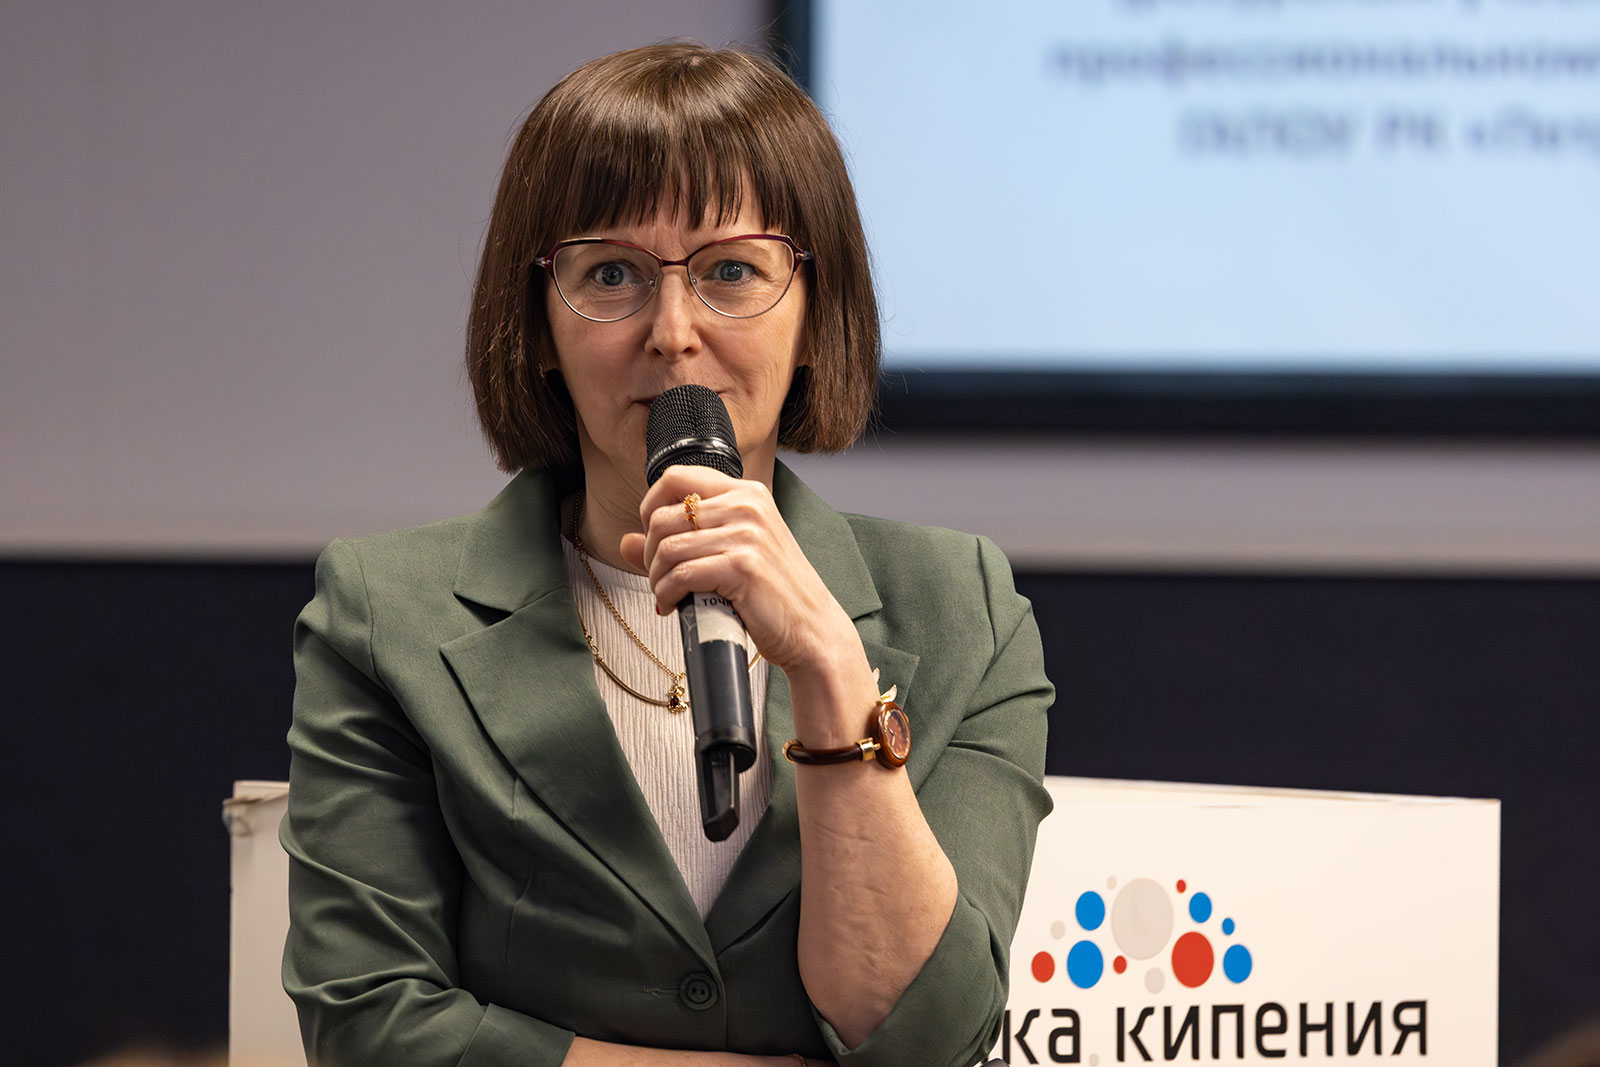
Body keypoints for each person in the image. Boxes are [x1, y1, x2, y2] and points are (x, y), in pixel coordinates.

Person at [281, 41, 1052, 1067]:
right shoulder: (385, 611)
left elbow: (929, 1035)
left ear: (815, 312)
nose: (673, 330)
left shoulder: (962, 607)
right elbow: (369, 1021)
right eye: (612, 274)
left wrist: (830, 669)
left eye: (732, 269)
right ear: (538, 323)